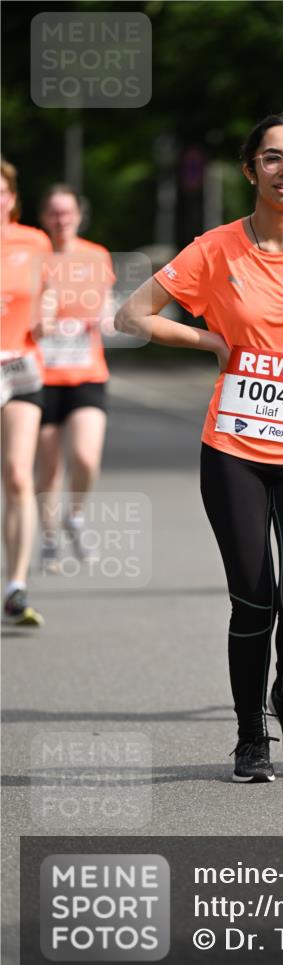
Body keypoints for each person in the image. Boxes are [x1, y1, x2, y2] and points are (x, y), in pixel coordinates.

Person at [116, 112, 283, 783]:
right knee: (253, 599)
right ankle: (250, 738)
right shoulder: (214, 249)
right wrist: (209, 341)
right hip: (233, 448)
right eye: (272, 158)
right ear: (250, 170)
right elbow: (133, 314)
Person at [35, 184, 115, 570]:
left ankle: (75, 514)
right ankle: (49, 534)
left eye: (67, 212)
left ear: (79, 216)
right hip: (40, 376)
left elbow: (107, 304)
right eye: (54, 212)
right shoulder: (32, 257)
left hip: (86, 372)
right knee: (48, 465)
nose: (61, 219)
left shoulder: (96, 256)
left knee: (85, 456)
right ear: (44, 217)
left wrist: (107, 319)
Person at [1, 159, 51, 626]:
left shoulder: (34, 241)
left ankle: (15, 585)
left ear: (12, 198)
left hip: (18, 369)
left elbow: (51, 293)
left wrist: (49, 314)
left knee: (18, 474)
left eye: (1, 191)